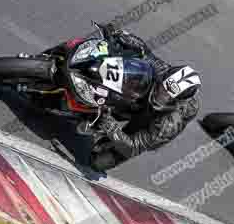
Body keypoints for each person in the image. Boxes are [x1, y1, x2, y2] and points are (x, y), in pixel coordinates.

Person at [81, 25, 202, 171]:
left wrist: (111, 127)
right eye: (161, 87)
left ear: (176, 101)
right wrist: (121, 35)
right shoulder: (164, 73)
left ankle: (104, 134)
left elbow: (133, 147)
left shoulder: (167, 125)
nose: (160, 93)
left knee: (99, 162)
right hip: (142, 101)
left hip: (150, 121)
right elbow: (145, 52)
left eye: (166, 95)